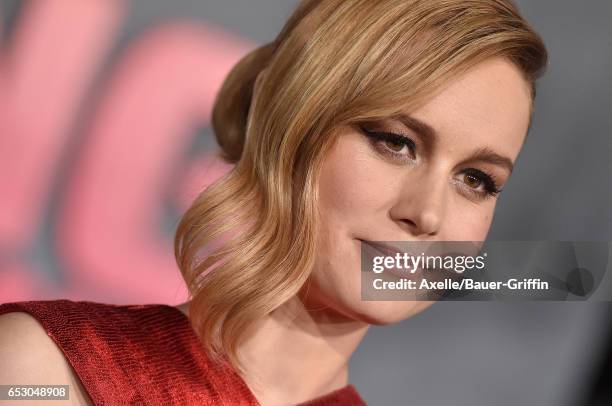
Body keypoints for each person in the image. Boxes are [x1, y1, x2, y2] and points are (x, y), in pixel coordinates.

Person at [0, 0, 548, 404]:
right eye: (396, 143)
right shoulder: (46, 374)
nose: (427, 214)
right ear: (294, 128)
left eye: (476, 179)